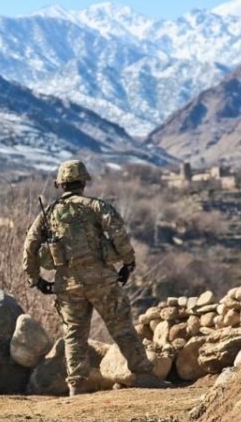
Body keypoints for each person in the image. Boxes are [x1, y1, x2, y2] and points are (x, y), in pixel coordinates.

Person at [22, 159, 167, 396]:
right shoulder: (97, 207)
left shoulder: (48, 214)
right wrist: (128, 262)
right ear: (84, 183)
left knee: (74, 334)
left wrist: (35, 279)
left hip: (67, 285)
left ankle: (77, 385)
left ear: (61, 185)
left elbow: (29, 247)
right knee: (122, 327)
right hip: (102, 281)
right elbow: (119, 234)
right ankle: (145, 376)